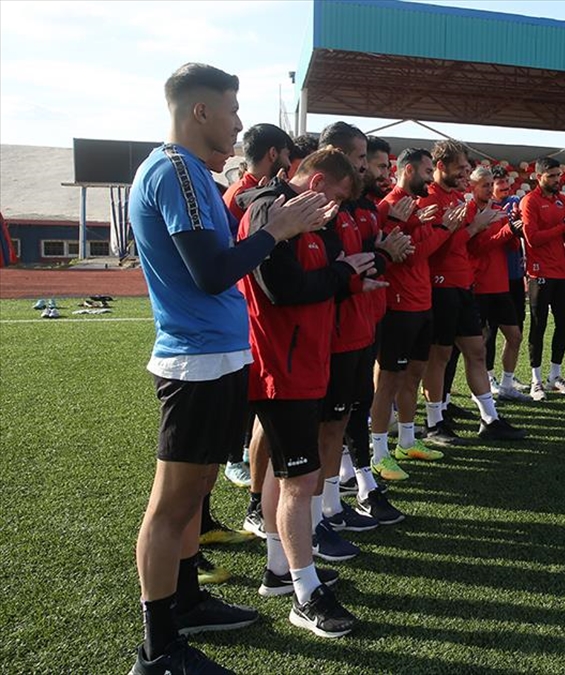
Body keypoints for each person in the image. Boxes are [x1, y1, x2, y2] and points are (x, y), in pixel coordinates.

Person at [127, 63, 334, 674]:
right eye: (231, 108)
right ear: (200, 112)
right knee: (172, 504)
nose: (239, 122)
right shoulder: (176, 171)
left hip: (214, 355)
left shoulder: (190, 173)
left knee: (193, 497)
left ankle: (185, 601)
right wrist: (278, 229)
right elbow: (211, 272)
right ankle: (158, 649)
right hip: (196, 360)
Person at [238, 147, 371, 637]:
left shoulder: (306, 218)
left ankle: (279, 570)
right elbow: (283, 289)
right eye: (335, 198)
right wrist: (342, 273)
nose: (337, 210)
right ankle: (304, 592)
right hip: (281, 368)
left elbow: (325, 279)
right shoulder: (270, 212)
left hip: (304, 363)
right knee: (300, 480)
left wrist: (347, 271)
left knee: (290, 472)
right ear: (316, 184)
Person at [318, 126, 412, 541]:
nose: (368, 167)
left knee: (352, 411)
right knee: (328, 423)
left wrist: (382, 253)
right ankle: (324, 507)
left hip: (363, 321)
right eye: (362, 158)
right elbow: (342, 268)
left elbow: (372, 262)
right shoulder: (325, 208)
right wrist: (381, 254)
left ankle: (356, 489)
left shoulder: (364, 207)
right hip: (334, 331)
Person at [418, 139, 527, 444]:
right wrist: (474, 227)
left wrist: (482, 228)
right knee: (439, 356)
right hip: (441, 286)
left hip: (463, 284)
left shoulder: (457, 199)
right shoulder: (429, 199)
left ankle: (489, 420)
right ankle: (435, 423)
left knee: (476, 351)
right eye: (460, 168)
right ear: (441, 167)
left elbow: (471, 247)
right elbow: (433, 249)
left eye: (467, 168)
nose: (465, 173)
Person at [369, 148, 453, 478]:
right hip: (399, 304)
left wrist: (432, 226)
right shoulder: (391, 206)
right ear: (408, 171)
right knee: (388, 380)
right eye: (427, 169)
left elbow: (419, 246)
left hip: (422, 301)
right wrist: (442, 228)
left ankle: (406, 440)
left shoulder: (416, 205)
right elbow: (410, 255)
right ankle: (378, 452)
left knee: (414, 375)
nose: (432, 175)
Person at [520, 157, 565, 400]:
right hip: (539, 272)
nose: (557, 180)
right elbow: (533, 238)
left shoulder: (563, 200)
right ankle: (536, 380)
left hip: (560, 272)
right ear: (539, 177)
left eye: (558, 175)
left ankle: (554, 375)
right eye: (552, 176)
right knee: (539, 326)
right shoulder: (530, 201)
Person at [468, 166, 532, 402]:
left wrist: (515, 230)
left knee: (514, 336)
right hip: (479, 285)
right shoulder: (471, 212)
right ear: (473, 187)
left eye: (489, 184)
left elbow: (511, 246)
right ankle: (484, 385)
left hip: (500, 284)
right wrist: (507, 231)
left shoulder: (498, 210)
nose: (489, 189)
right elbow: (477, 247)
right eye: (485, 185)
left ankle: (506, 384)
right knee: (481, 341)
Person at [223, 123, 292, 221]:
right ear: (273, 154)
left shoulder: (244, 189)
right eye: (287, 155)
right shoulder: (243, 195)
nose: (289, 164)